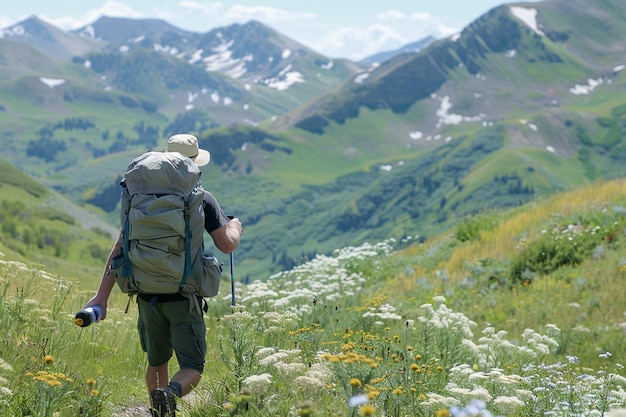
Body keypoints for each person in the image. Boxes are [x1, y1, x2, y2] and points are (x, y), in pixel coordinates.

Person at [83, 134, 243, 417]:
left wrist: (102, 296)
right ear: (193, 165)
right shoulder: (201, 199)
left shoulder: (138, 198)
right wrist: (235, 226)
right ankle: (170, 393)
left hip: (146, 295)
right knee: (193, 367)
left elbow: (121, 247)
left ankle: (159, 413)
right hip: (183, 297)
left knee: (156, 362)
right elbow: (226, 244)